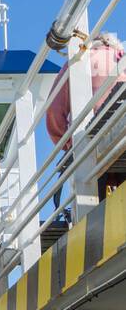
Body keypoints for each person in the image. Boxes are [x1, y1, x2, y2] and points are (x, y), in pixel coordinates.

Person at [46, 34, 126, 220]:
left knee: (88, 197)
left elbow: (54, 112)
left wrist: (69, 145)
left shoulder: (78, 61)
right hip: (121, 135)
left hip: (91, 144)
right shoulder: (121, 58)